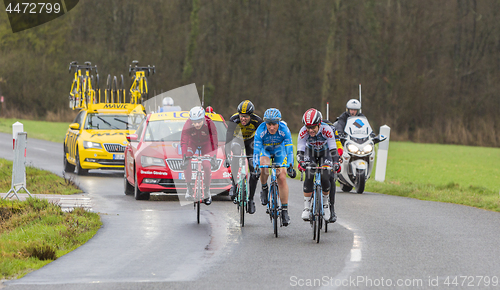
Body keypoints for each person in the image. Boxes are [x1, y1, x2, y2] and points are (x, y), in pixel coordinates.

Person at [253, 108, 296, 226]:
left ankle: (285, 210)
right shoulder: (260, 130)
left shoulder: (284, 129)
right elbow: (256, 152)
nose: (271, 127)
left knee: (281, 177)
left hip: (279, 152)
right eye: (269, 124)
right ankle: (264, 188)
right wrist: (256, 165)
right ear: (265, 123)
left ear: (279, 122)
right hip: (265, 151)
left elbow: (289, 150)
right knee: (264, 166)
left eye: (274, 124)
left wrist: (291, 165)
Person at [297, 108, 340, 223]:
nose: (310, 130)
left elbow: (333, 148)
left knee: (326, 175)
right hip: (310, 152)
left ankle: (326, 205)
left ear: (319, 124)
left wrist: (336, 162)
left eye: (313, 127)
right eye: (308, 127)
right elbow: (300, 149)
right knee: (309, 173)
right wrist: (300, 161)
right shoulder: (303, 131)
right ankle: (306, 207)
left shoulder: (327, 129)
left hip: (325, 152)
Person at [225, 100, 263, 214]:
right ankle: (234, 185)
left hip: (251, 141)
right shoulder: (234, 120)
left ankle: (251, 199)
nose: (243, 119)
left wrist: (258, 157)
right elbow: (228, 140)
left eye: (246, 117)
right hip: (237, 140)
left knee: (254, 171)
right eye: (241, 116)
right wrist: (227, 157)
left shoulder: (258, 121)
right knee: (235, 154)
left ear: (251, 116)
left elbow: (262, 139)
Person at [181, 106, 218, 205]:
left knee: (206, 165)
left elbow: (214, 141)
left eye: (199, 122)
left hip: (206, 144)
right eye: (194, 122)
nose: (196, 124)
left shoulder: (210, 123)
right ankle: (189, 187)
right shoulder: (188, 124)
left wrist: (214, 156)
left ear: (203, 119)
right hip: (192, 143)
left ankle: (207, 190)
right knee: (187, 160)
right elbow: (184, 140)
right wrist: (184, 156)